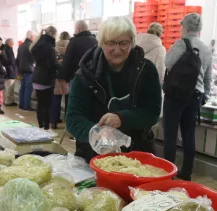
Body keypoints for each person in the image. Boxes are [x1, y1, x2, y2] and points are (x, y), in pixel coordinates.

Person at [66, 16, 162, 163]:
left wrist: (122, 118)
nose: (117, 50)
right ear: (101, 43)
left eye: (123, 43)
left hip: (138, 155)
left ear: (132, 42)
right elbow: (73, 118)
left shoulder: (146, 70)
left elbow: (152, 113)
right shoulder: (86, 74)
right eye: (110, 43)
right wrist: (96, 133)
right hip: (93, 156)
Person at [163, 13, 212, 181]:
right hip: (195, 96)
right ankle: (187, 172)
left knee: (170, 134)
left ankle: (168, 173)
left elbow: (168, 63)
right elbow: (208, 76)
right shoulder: (206, 48)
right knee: (188, 135)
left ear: (184, 27)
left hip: (176, 95)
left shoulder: (181, 44)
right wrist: (205, 95)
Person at [59, 20, 98, 140]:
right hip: (94, 79)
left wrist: (63, 77)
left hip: (76, 78)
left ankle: (72, 131)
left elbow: (67, 61)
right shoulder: (95, 41)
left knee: (73, 105)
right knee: (88, 106)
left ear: (78, 30)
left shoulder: (74, 42)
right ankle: (87, 132)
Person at [31, 26, 59, 137]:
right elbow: (52, 64)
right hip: (46, 78)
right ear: (53, 34)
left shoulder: (37, 43)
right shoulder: (49, 46)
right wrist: (60, 64)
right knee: (47, 105)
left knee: (40, 104)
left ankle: (41, 127)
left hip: (37, 77)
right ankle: (46, 129)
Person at [51, 31, 71, 129]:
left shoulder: (55, 46)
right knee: (68, 101)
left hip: (56, 76)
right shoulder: (71, 46)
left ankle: (54, 121)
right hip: (67, 77)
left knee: (56, 99)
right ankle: (68, 122)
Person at [16, 30, 36, 111]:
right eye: (34, 36)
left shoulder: (21, 46)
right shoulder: (30, 46)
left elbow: (17, 59)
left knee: (23, 87)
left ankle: (21, 104)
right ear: (31, 37)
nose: (35, 38)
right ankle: (26, 106)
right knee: (28, 88)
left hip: (22, 69)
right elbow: (33, 58)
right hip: (29, 69)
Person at [3, 38, 18, 106]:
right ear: (9, 43)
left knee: (6, 87)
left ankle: (5, 100)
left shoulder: (4, 49)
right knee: (9, 87)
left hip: (6, 71)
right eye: (12, 42)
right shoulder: (8, 49)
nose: (13, 43)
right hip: (10, 71)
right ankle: (8, 101)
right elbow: (11, 61)